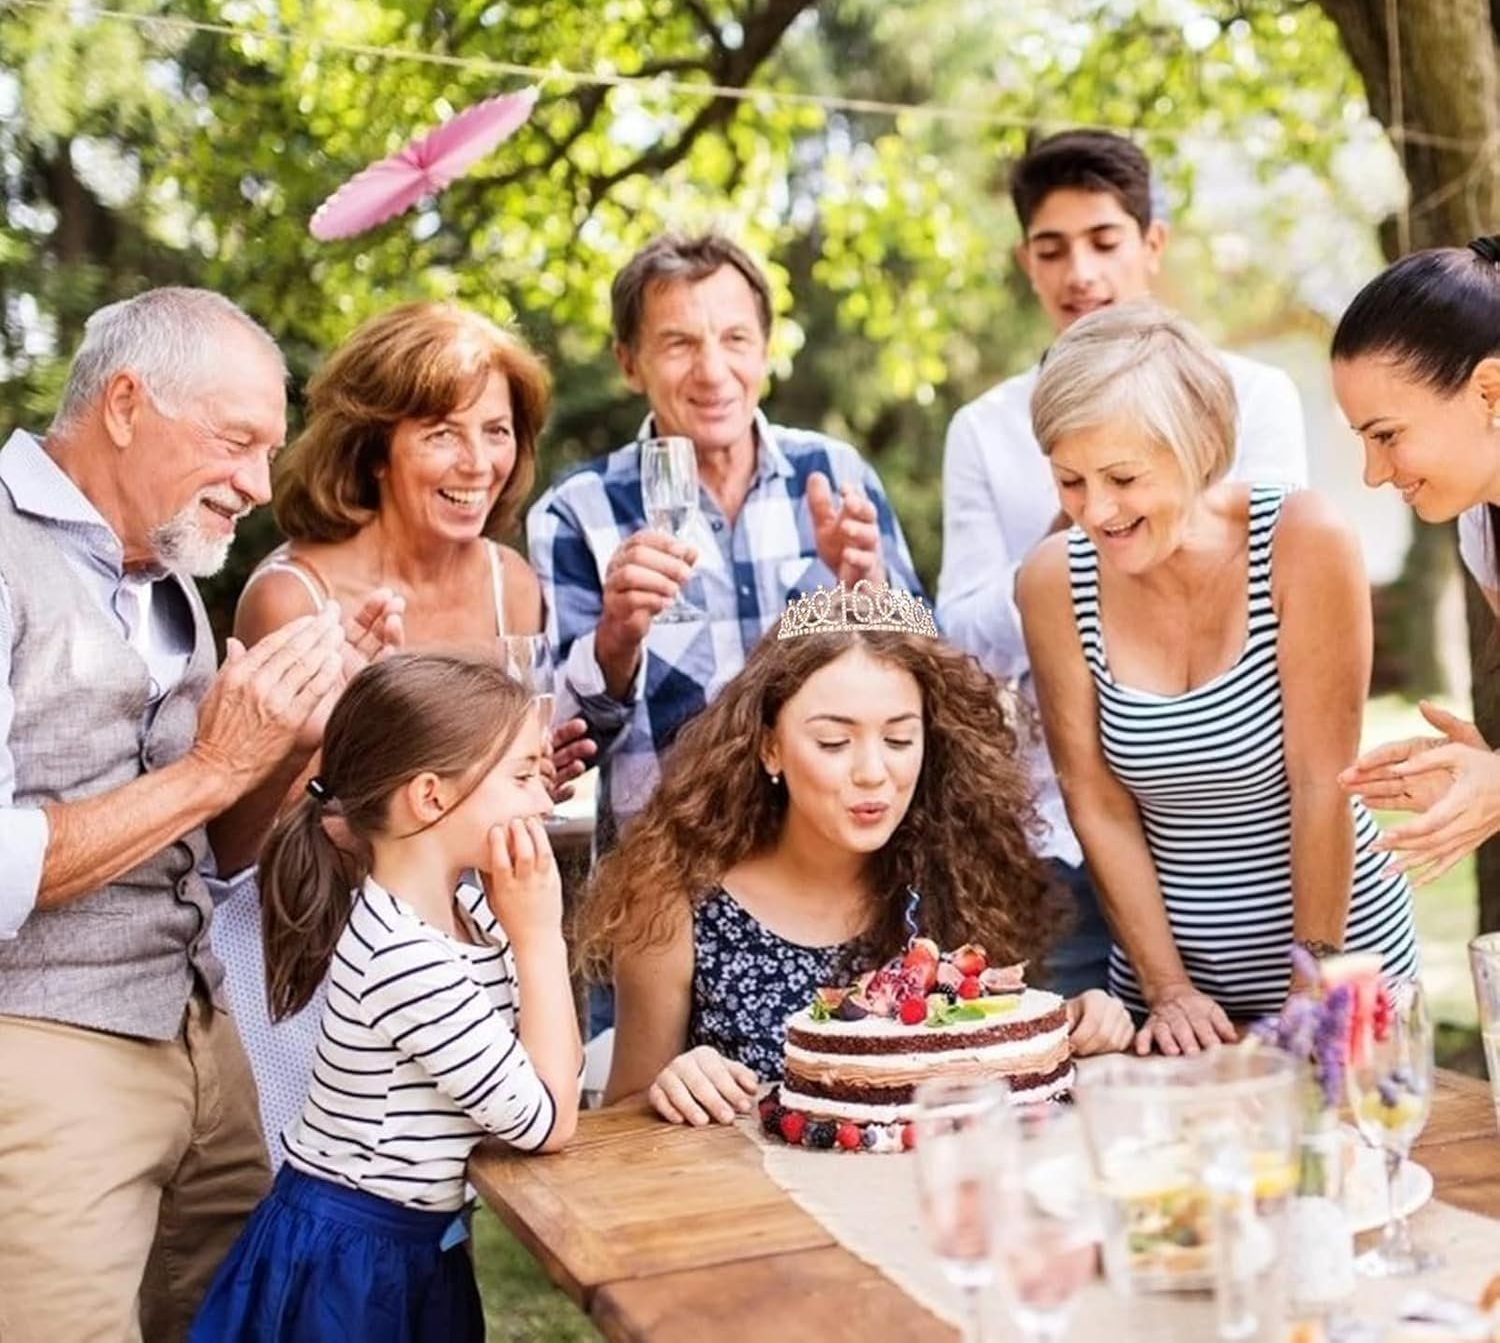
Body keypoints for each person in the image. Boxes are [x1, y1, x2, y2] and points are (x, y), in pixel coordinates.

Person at [0, 287, 397, 1343]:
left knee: (256, 1319)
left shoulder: (164, 575)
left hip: (204, 1037)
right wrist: (216, 767)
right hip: (41, 1042)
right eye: (238, 443)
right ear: (126, 403)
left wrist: (298, 740)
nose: (259, 487)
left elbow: (214, 849)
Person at [938, 129, 1309, 998]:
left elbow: (1254, 586)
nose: (1081, 274)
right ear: (1026, 264)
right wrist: (1074, 524)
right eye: (1052, 249)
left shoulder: (1253, 398)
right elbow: (968, 636)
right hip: (1062, 832)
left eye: (1105, 241)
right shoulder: (985, 430)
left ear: (1152, 245)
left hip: (1234, 823)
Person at [221, 299, 593, 1159]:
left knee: (433, 1201)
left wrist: (521, 785)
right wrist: (322, 745)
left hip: (456, 937)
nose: (478, 462)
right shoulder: (293, 597)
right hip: (314, 954)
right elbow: (237, 849)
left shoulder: (512, 586)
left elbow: (470, 786)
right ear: (376, 444)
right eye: (441, 432)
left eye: (496, 431)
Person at [575, 583, 1133, 1127]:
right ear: (769, 745)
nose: (873, 773)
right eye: (834, 743)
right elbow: (624, 1119)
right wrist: (671, 1086)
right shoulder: (676, 900)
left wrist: (1078, 1024)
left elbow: (996, 1063)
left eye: (898, 740)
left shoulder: (958, 874)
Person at [1017, 301, 1416, 1055]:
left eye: (1122, 477)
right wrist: (1166, 987)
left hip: (1337, 959)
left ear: (1199, 449)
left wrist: (1314, 981)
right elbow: (1095, 801)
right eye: (1070, 481)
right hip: (1173, 994)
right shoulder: (1051, 583)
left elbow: (1321, 779)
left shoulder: (1304, 541)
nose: (1095, 511)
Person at [191, 652, 580, 1342]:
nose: (544, 802)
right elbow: (545, 1122)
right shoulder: (404, 957)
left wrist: (523, 935)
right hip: (351, 1269)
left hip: (412, 1246)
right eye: (523, 777)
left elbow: (549, 1075)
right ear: (430, 797)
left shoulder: (474, 915)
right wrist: (542, 941)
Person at [529, 232, 924, 850]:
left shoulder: (835, 471)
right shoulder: (577, 510)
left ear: (765, 349)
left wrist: (869, 591)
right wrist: (615, 639)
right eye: (679, 343)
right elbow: (557, 748)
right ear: (629, 363)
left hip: (835, 870)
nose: (713, 371)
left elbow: (929, 682)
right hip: (668, 871)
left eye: (735, 339)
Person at [1331, 234, 1500, 882]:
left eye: (1387, 436)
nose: (1374, 473)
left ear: (1488, 392)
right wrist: (1480, 775)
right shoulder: (1480, 532)